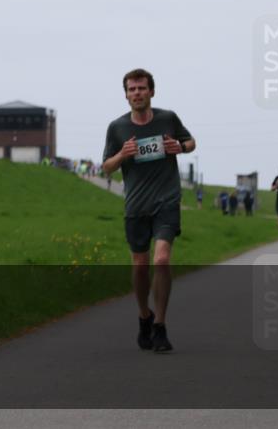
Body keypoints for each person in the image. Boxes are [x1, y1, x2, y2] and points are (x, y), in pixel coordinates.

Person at [102, 68, 194, 353]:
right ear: (126, 95)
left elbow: (191, 142)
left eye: (141, 88)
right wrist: (122, 155)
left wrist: (178, 147)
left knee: (162, 259)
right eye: (131, 89)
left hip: (166, 202)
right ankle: (145, 315)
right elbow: (106, 166)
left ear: (151, 91)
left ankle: (161, 327)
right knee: (140, 266)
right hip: (136, 206)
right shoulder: (117, 128)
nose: (137, 93)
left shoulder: (168, 118)